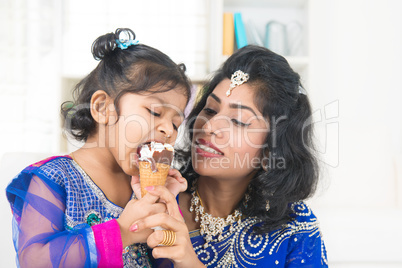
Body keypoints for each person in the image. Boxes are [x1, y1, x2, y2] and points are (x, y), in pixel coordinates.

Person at [6, 28, 191, 267]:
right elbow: (35, 260)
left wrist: (163, 209)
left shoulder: (147, 193)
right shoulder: (53, 179)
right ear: (103, 108)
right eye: (155, 112)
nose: (169, 130)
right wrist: (122, 231)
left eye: (176, 124)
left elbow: (166, 262)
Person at [130, 45, 329, 267]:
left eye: (238, 121)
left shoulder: (294, 226)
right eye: (210, 110)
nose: (210, 126)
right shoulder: (154, 198)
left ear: (270, 151)